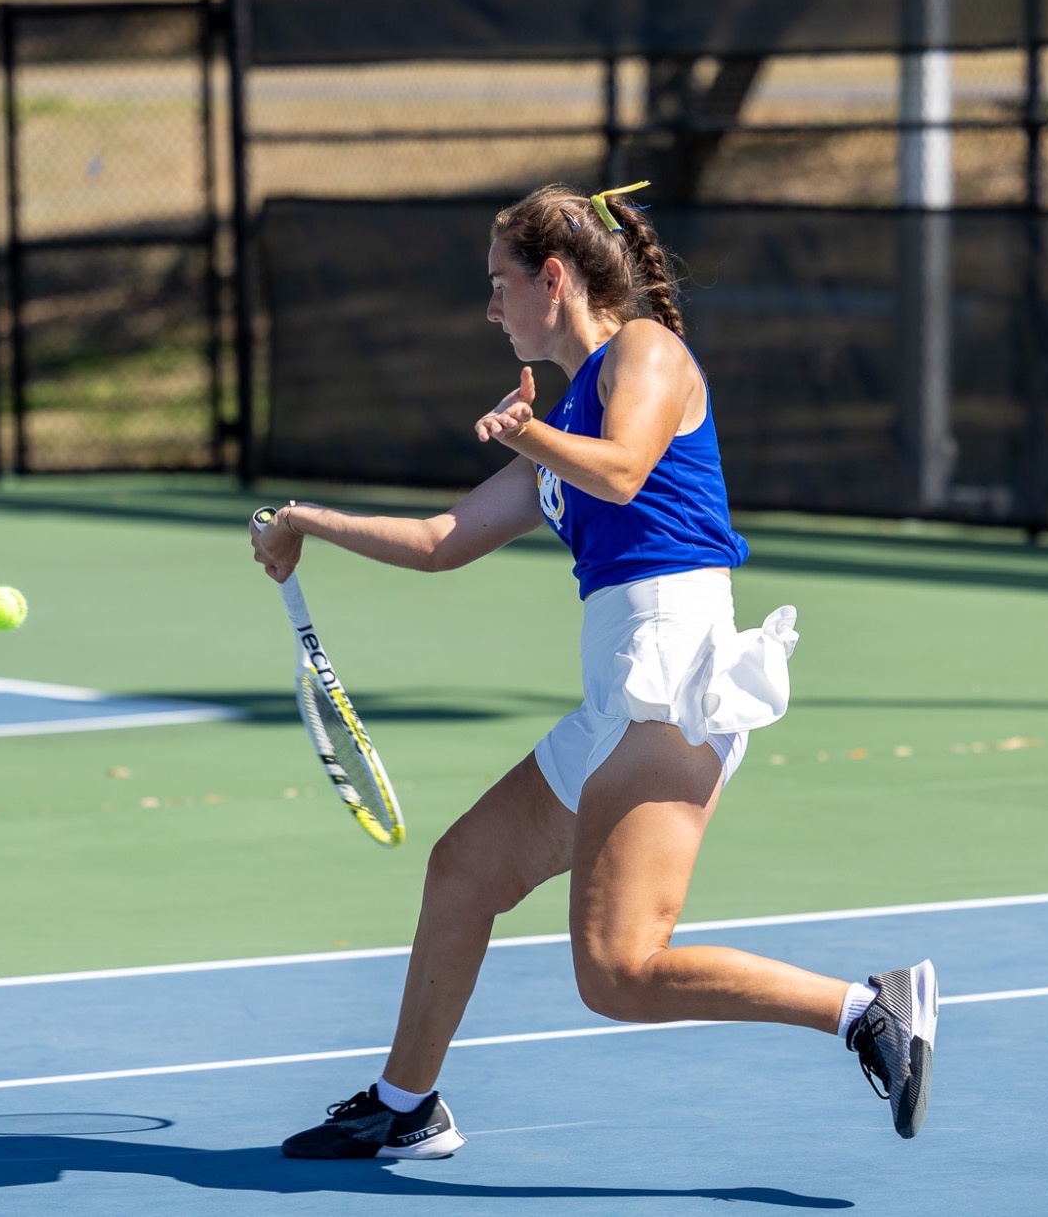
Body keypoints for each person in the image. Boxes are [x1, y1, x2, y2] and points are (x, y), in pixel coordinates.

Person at [251, 181, 937, 1160]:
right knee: (462, 871)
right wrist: (304, 523)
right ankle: (405, 1104)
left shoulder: (646, 354)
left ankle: (869, 1011)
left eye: (498, 284)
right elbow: (444, 537)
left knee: (616, 971)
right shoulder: (565, 407)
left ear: (554, 278)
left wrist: (528, 435)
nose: (488, 307)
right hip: (616, 692)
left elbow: (619, 469)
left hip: (671, 678)